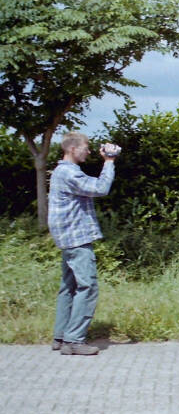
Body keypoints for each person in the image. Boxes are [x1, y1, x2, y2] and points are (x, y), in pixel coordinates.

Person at [47, 132, 119, 355]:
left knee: (68, 287)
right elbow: (100, 188)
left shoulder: (63, 171)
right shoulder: (68, 172)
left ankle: (61, 337)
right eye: (85, 147)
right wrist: (109, 161)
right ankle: (74, 340)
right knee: (87, 287)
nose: (89, 151)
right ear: (71, 149)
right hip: (76, 238)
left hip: (68, 239)